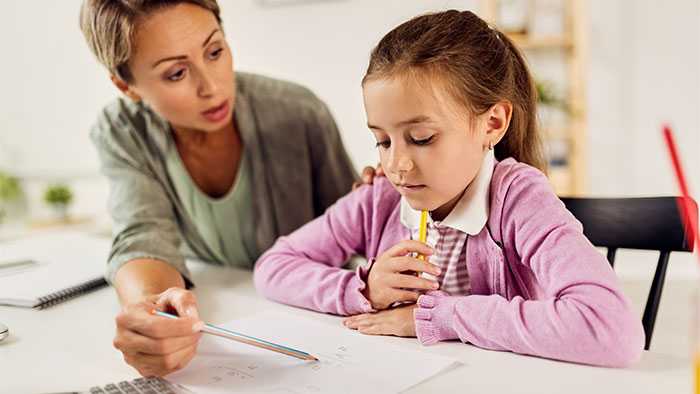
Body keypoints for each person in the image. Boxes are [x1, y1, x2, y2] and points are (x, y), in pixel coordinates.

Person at [254, 10, 645, 367]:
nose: (396, 165)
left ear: (492, 123)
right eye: (383, 141)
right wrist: (365, 288)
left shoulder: (520, 201)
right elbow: (273, 268)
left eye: (422, 138)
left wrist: (439, 317)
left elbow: (611, 330)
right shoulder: (381, 197)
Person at [80, 0, 376, 376]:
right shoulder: (122, 131)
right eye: (175, 73)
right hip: (233, 319)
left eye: (215, 51)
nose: (212, 85)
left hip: (316, 324)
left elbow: (360, 235)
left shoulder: (298, 113)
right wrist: (152, 309)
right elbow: (141, 234)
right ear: (126, 85)